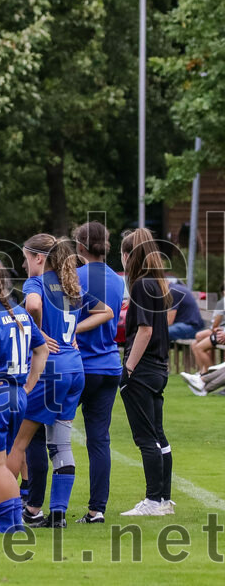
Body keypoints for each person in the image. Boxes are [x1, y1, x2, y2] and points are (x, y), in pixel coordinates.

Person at [7, 234, 112, 528]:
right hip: (75, 369)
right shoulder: (72, 285)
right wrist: (73, 333)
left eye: (26, 258)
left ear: (39, 258)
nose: (25, 264)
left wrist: (37, 337)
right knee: (61, 445)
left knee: (19, 442)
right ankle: (58, 514)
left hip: (50, 369)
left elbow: (33, 306)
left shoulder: (37, 283)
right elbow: (106, 311)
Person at [0, 257, 49, 533]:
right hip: (17, 396)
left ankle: (7, 524)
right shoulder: (22, 314)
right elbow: (42, 349)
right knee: (4, 460)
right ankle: (13, 522)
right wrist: (29, 384)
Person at [119, 228, 175, 517]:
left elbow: (145, 329)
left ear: (129, 255)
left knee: (146, 438)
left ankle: (153, 501)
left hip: (142, 370)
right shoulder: (157, 283)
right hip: (159, 368)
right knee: (158, 436)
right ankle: (164, 499)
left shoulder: (141, 285)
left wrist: (128, 368)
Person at [73, 221, 126, 524]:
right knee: (99, 440)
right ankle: (97, 509)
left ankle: (40, 504)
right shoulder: (118, 280)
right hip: (110, 365)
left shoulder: (75, 277)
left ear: (80, 247)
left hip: (81, 365)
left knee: (48, 432)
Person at [187, 284, 224, 376]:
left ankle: (210, 375)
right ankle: (203, 371)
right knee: (195, 343)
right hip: (220, 331)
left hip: (219, 331)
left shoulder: (222, 302)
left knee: (198, 342)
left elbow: (216, 324)